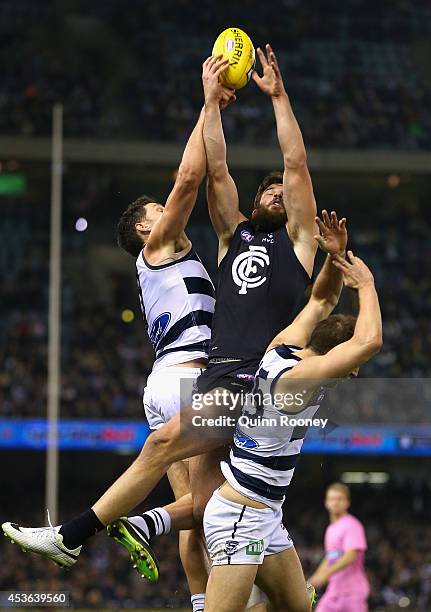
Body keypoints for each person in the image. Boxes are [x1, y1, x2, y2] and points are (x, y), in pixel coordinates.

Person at [2, 44, 317, 597]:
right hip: (207, 374)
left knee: (211, 492)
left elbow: (295, 165)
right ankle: (205, 579)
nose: (273, 192)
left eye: (279, 192)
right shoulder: (228, 238)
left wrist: (278, 99)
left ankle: (82, 534)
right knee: (223, 501)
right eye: (263, 188)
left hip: (250, 381)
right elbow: (210, 170)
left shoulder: (299, 243)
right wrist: (212, 106)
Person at [202, 216, 382, 612]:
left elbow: (321, 301)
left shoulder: (283, 347)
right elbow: (369, 341)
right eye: (350, 370)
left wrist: (334, 258)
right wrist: (366, 285)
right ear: (336, 358)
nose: (351, 376)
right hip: (241, 513)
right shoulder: (299, 379)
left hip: (264, 515)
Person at [309, 483, 369, 612]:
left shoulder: (352, 525)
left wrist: (326, 574)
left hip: (353, 593)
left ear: (347, 503)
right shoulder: (330, 529)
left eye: (339, 499)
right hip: (334, 592)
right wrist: (311, 582)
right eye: (332, 499)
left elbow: (351, 555)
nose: (335, 503)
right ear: (326, 503)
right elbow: (330, 557)